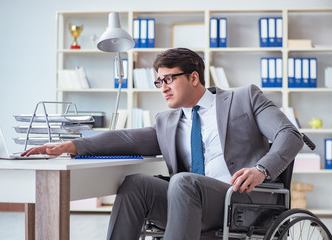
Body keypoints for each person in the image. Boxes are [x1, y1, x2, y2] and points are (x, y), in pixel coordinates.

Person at [22, 48, 303, 240]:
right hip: (189, 201)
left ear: (194, 77)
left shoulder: (243, 99)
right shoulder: (167, 121)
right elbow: (126, 138)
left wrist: (261, 169)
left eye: (169, 78)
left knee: (182, 181)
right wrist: (70, 145)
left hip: (241, 198)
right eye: (159, 82)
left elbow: (289, 134)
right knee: (136, 184)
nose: (163, 87)